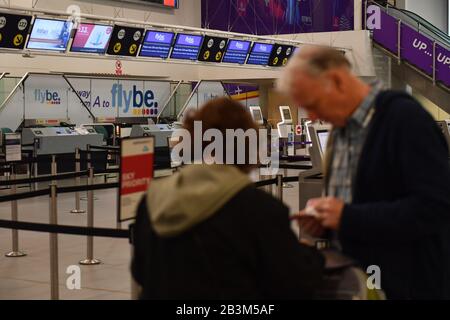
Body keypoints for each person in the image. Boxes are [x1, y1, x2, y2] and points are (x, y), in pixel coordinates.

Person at [278, 46, 450, 299]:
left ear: (337, 81)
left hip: (406, 286)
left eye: (313, 105)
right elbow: (362, 205)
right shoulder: (340, 131)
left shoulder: (405, 120)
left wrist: (346, 217)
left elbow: (434, 207)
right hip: (360, 284)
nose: (312, 118)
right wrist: (326, 222)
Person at [131, 97, 324, 300]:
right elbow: (294, 282)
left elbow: (141, 272)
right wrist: (311, 254)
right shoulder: (260, 209)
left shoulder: (152, 201)